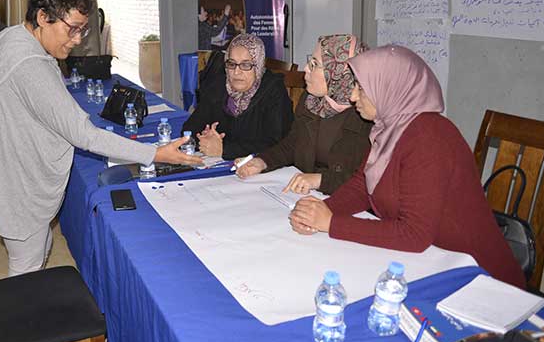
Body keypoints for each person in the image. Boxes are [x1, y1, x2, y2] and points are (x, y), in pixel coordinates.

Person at [0, 0, 202, 277]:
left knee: (37, 246)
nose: (77, 40)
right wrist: (154, 154)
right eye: (72, 29)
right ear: (43, 17)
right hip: (19, 182)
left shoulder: (8, 37)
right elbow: (84, 135)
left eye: (82, 30)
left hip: (2, 166)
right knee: (25, 268)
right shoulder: (31, 64)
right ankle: (25, 307)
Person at [289, 45, 525, 288]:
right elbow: (363, 186)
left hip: (477, 277)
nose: (353, 97)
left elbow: (414, 234)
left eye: (362, 88)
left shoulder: (428, 137)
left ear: (389, 88)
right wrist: (321, 211)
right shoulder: (389, 127)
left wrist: (331, 223)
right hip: (430, 263)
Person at [236, 34, 372, 195]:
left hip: (344, 201)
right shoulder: (311, 101)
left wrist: (319, 180)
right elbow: (292, 144)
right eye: (310, 61)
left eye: (315, 64)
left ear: (339, 72)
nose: (306, 68)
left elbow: (368, 180)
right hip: (304, 195)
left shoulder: (368, 114)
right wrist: (262, 161)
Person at [182, 33, 292, 160]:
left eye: (246, 65)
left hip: (261, 167)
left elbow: (278, 143)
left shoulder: (274, 91)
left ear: (258, 65)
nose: (236, 72)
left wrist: (224, 149)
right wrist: (203, 138)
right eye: (232, 63)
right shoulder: (218, 86)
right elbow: (189, 129)